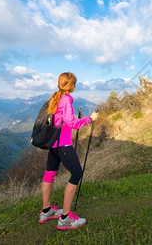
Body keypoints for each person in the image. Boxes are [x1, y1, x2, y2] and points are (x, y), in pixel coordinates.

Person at [39, 72, 98, 230]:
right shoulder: (65, 99)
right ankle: (65, 218)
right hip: (63, 145)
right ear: (71, 86)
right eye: (74, 84)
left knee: (49, 174)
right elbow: (72, 123)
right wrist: (89, 119)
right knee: (77, 173)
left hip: (53, 144)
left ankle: (46, 211)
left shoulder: (55, 98)